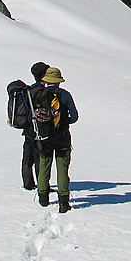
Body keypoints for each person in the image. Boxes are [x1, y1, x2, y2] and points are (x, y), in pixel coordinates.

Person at [33, 67, 79, 213]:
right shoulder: (65, 95)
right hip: (62, 137)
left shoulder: (39, 95)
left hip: (44, 137)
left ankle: (43, 198)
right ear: (58, 82)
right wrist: (63, 122)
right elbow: (75, 117)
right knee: (62, 169)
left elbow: (31, 117)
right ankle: (63, 202)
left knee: (44, 165)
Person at [21, 62, 49, 190]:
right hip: (39, 129)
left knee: (27, 156)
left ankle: (28, 183)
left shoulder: (28, 90)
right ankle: (43, 184)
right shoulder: (43, 92)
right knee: (40, 158)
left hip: (27, 128)